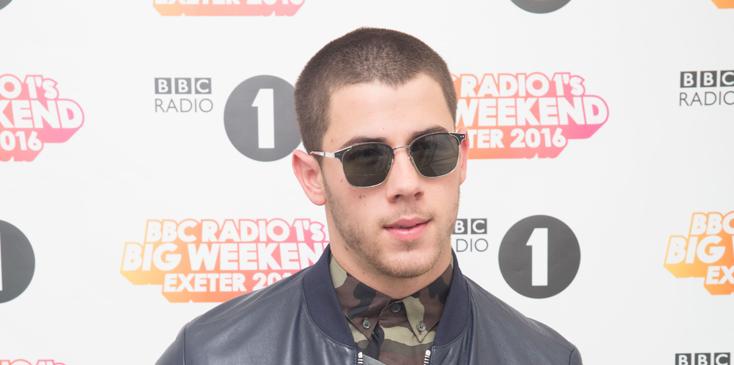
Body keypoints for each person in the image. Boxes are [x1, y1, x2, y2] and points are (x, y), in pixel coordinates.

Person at [157, 27, 582, 365]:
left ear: (463, 158)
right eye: (367, 158)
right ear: (312, 177)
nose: (406, 184)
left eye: (431, 149)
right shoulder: (212, 355)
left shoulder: (543, 358)